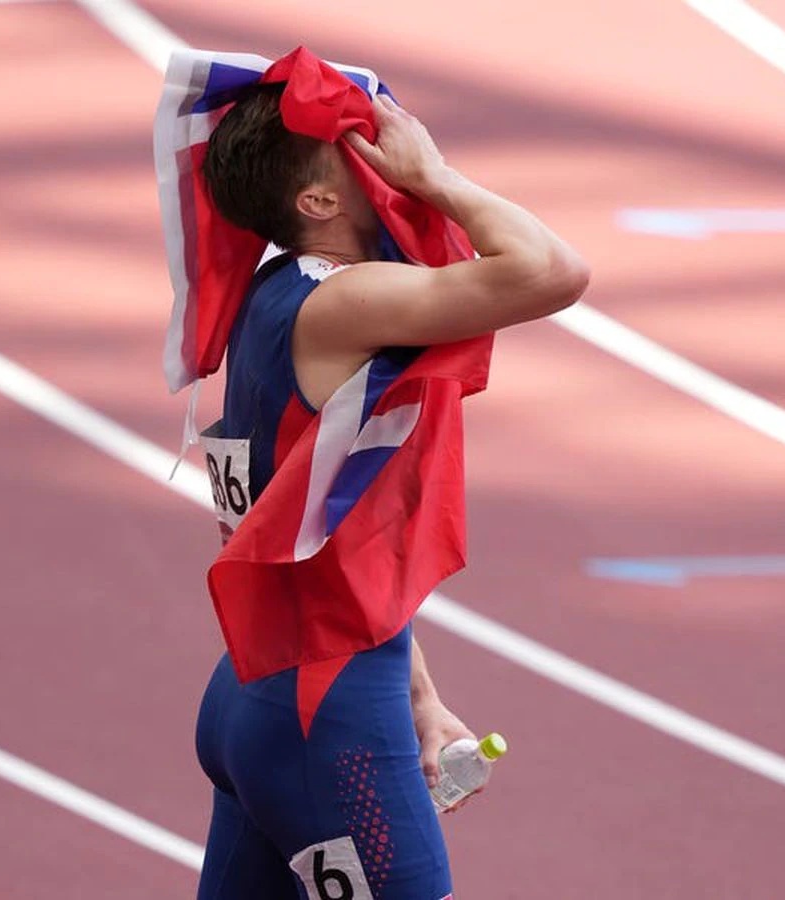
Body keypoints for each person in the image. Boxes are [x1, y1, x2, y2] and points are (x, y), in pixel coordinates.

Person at [193, 82, 588, 899]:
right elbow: (553, 271)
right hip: (327, 721)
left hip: (260, 694)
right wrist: (435, 179)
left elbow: (328, 545)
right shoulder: (343, 301)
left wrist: (418, 694)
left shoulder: (274, 290)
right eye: (362, 145)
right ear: (318, 200)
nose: (391, 154)